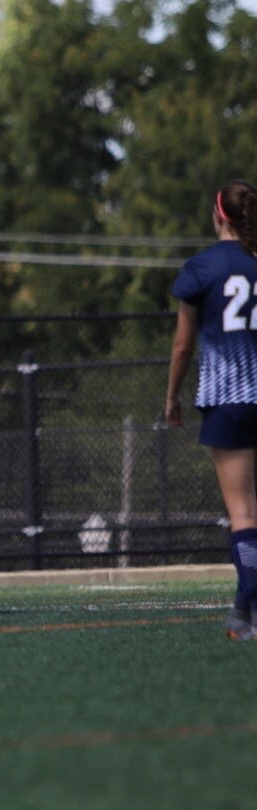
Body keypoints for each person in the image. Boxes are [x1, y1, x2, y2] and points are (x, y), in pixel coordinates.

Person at [165, 180, 257, 641]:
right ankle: (242, 615)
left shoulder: (201, 267)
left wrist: (171, 396)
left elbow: (183, 345)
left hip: (227, 398)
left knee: (242, 513)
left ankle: (253, 610)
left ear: (218, 215)